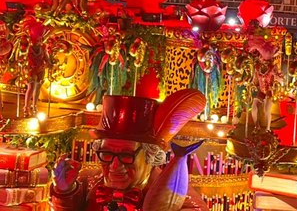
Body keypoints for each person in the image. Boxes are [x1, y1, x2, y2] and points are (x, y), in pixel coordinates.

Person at [50, 90, 209, 211]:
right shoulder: (86, 182)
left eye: (126, 155)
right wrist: (65, 191)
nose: (114, 166)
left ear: (150, 156)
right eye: (106, 154)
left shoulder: (173, 191)